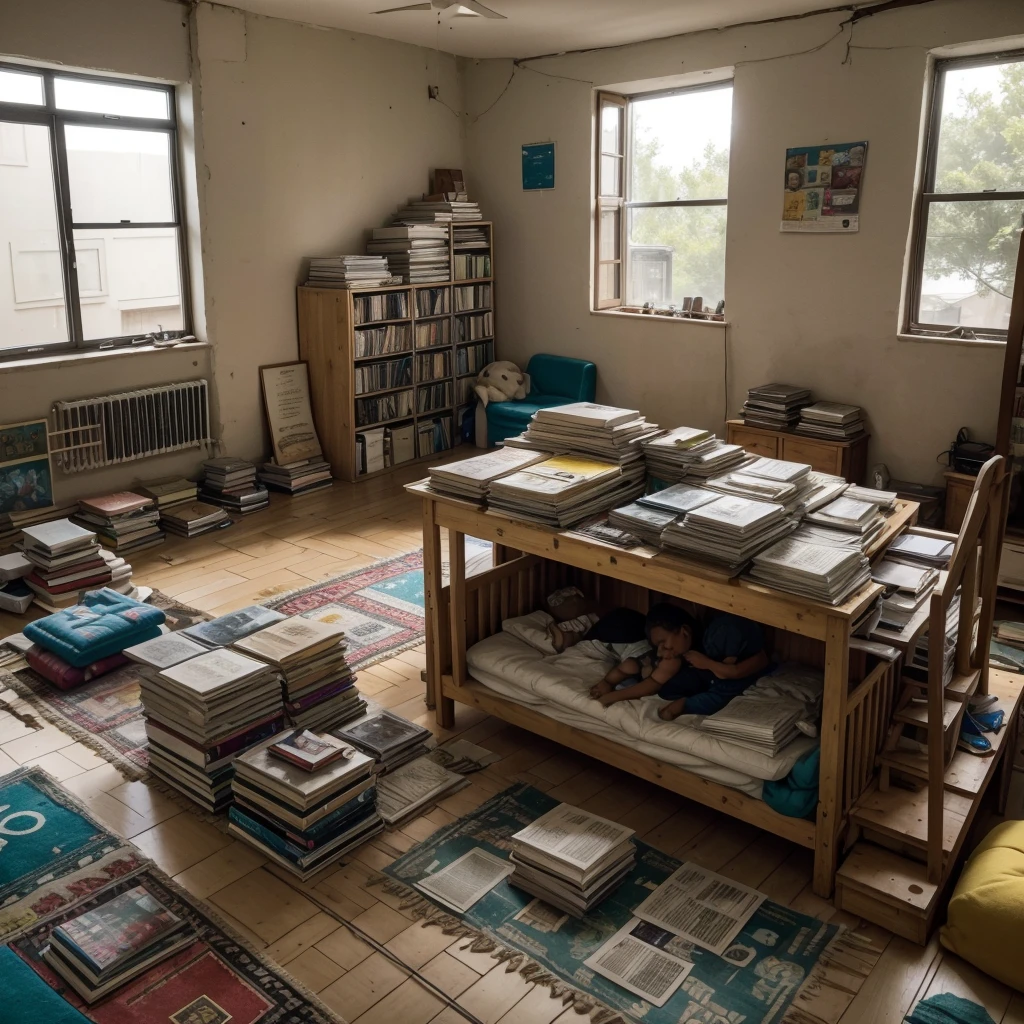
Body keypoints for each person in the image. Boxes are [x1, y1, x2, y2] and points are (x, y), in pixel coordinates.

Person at [588, 603, 768, 721]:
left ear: (684, 631)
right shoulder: (675, 653)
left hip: (721, 672)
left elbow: (652, 685)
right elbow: (651, 680)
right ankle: (614, 678)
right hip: (669, 672)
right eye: (657, 645)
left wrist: (612, 697)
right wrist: (607, 684)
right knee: (631, 665)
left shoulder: (716, 638)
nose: (661, 651)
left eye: (662, 643)